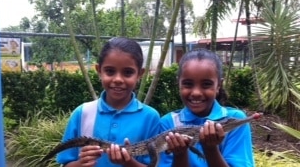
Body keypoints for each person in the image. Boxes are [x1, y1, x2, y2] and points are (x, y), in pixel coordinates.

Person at [56, 37, 160, 167]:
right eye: (110, 71)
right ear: (99, 70)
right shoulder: (82, 113)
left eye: (128, 72)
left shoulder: (150, 117)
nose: (118, 79)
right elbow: (65, 163)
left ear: (140, 74)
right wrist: (80, 163)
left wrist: (128, 162)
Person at [159, 48, 255, 167]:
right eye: (188, 84)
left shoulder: (235, 121)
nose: (196, 92)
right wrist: (180, 154)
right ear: (178, 83)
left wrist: (210, 148)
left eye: (206, 84)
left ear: (218, 85)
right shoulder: (168, 123)